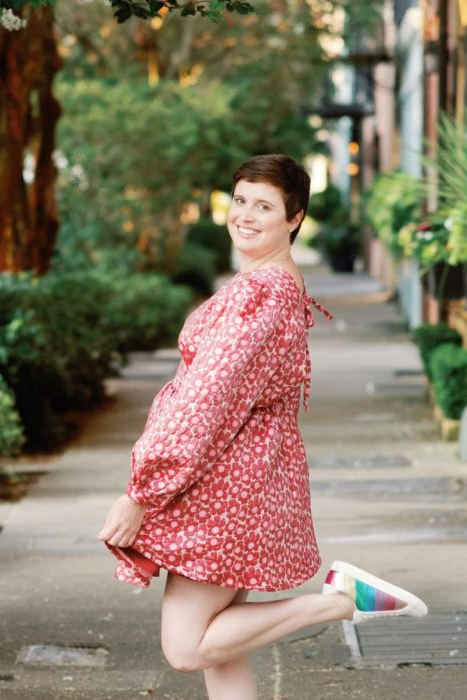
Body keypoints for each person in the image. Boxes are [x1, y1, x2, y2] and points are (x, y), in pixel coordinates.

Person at [96, 154, 427, 700]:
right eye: (241, 200)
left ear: (294, 219)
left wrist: (141, 490)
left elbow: (206, 399)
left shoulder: (262, 293)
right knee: (223, 655)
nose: (245, 215)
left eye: (264, 206)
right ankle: (342, 599)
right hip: (248, 481)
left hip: (230, 489)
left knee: (186, 647)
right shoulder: (274, 286)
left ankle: (344, 601)